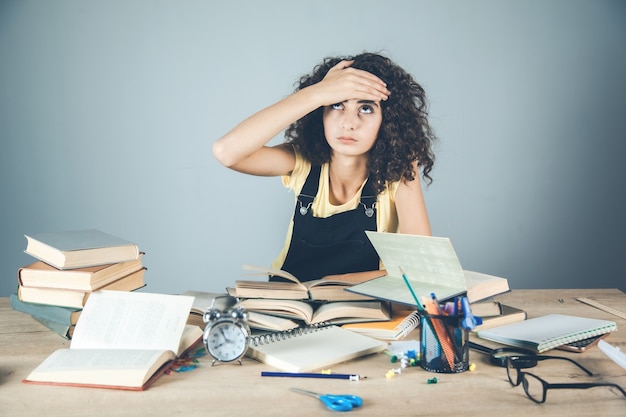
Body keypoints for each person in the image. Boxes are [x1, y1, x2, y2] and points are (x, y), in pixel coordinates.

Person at [213, 52, 436, 284]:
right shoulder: (301, 161)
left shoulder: (397, 173)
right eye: (337, 105)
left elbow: (421, 268)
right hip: (287, 305)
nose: (348, 123)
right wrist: (318, 93)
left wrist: (336, 283)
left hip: (361, 308)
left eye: (366, 108)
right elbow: (226, 152)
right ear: (321, 112)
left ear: (389, 121)